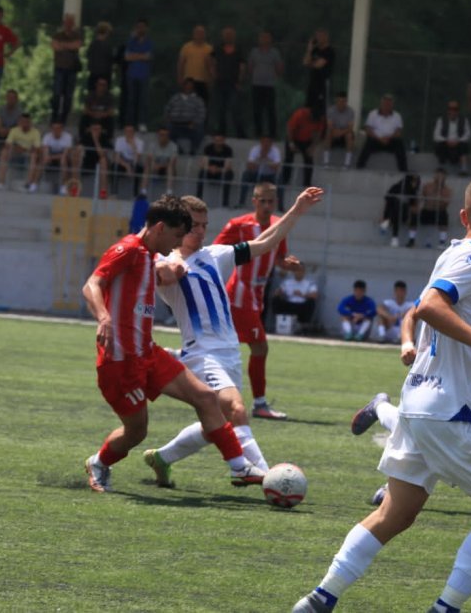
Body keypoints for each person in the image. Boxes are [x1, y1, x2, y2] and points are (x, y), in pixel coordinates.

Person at [293, 175, 471, 613]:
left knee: (395, 514)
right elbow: (428, 307)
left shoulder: (464, 259)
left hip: (418, 406)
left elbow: (462, 306)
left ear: (463, 216)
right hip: (449, 412)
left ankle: (318, 598)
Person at [82, 194, 266, 493]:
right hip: (120, 361)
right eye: (176, 236)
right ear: (158, 229)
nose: (177, 243)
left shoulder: (152, 256)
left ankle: (240, 467)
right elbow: (92, 283)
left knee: (206, 398)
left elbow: (170, 270)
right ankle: (99, 463)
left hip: (148, 353)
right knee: (136, 431)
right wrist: (103, 317)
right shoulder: (127, 249)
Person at [143, 189, 323, 488]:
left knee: (219, 421)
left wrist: (297, 210)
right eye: (194, 225)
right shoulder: (167, 261)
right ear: (180, 227)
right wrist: (168, 268)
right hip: (201, 354)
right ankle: (269, 478)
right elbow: (159, 273)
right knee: (237, 409)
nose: (201, 231)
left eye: (204, 225)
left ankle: (163, 457)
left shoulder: (217, 255)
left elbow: (264, 242)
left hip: (230, 353)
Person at [357, 271, 471, 506]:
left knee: (420, 429)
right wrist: (407, 344)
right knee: (431, 427)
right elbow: (414, 313)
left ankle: (381, 409)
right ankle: (393, 489)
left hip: (463, 378)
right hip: (428, 370)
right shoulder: (458, 267)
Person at [213, 182, 302, 420]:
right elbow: (215, 251)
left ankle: (176, 355)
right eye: (262, 201)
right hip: (238, 294)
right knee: (259, 347)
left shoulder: (278, 225)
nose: (266, 205)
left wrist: (288, 264)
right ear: (254, 201)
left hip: (256, 296)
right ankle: (259, 404)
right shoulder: (239, 225)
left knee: (222, 345)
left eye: (270, 201)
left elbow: (279, 258)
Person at [0, 112, 40, 192]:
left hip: (28, 154)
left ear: (30, 122)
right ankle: (1, 182)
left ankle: (28, 184)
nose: (24, 124)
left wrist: (24, 149)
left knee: (34, 156)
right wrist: (16, 148)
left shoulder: (35, 132)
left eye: (26, 122)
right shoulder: (14, 130)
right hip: (15, 152)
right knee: (4, 152)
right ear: (19, 122)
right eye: (22, 122)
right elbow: (7, 144)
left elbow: (37, 148)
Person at [356, 94, 407, 172]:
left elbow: (398, 132)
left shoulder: (397, 116)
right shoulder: (372, 114)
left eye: (389, 103)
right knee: (368, 142)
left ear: (392, 105)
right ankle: (359, 168)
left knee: (399, 143)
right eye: (385, 103)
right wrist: (379, 138)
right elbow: (368, 129)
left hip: (390, 140)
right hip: (376, 140)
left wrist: (389, 138)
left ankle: (403, 171)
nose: (387, 105)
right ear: (381, 104)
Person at [211, 26, 246, 138]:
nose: (228, 37)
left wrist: (240, 80)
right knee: (220, 108)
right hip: (220, 82)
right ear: (223, 36)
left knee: (235, 108)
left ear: (234, 36)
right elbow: (211, 61)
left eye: (230, 35)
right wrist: (213, 74)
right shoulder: (218, 48)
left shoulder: (238, 49)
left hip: (233, 83)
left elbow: (242, 65)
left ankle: (240, 133)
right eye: (226, 35)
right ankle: (221, 132)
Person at [248, 31, 283, 138]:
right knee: (257, 110)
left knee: (271, 110)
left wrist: (274, 76)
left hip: (269, 85)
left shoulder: (275, 52)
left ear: (270, 39)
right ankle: (258, 133)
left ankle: (273, 133)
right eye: (262, 38)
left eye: (267, 38)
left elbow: (279, 67)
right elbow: (250, 66)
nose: (264, 40)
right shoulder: (254, 52)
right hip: (257, 84)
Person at [50, 13, 83, 124]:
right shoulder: (57, 35)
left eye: (70, 22)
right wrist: (68, 46)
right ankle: (54, 116)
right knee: (56, 94)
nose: (68, 24)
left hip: (71, 69)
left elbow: (77, 45)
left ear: (73, 24)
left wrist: (63, 45)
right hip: (59, 68)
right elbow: (55, 46)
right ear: (64, 23)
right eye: (66, 22)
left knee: (68, 96)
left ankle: (63, 118)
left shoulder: (76, 35)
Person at [282, 105, 325, 189]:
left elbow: (318, 134)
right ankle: (285, 180)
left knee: (309, 160)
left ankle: (307, 183)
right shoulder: (300, 114)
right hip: (294, 138)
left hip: (307, 140)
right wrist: (291, 143)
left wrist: (312, 147)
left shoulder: (320, 119)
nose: (314, 121)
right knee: (288, 158)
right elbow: (290, 129)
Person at [124, 19, 154, 132]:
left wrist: (135, 55)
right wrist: (141, 56)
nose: (140, 29)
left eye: (142, 27)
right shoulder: (131, 41)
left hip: (144, 75)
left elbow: (148, 56)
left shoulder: (149, 42)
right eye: (138, 27)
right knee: (131, 100)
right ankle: (130, 124)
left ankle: (142, 123)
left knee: (143, 100)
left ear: (146, 28)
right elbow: (127, 57)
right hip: (131, 74)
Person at [164, 77, 206, 155]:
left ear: (193, 87)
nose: (188, 87)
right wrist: (167, 117)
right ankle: (178, 149)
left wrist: (195, 122)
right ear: (183, 86)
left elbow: (202, 114)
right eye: (187, 85)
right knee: (166, 130)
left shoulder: (198, 100)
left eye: (191, 85)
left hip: (190, 125)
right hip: (175, 124)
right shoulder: (175, 97)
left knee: (200, 129)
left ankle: (193, 149)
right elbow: (167, 108)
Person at [237, 136, 281, 208]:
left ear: (271, 143)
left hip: (270, 175)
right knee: (246, 175)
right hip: (256, 173)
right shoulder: (255, 149)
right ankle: (241, 202)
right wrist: (259, 159)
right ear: (261, 142)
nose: (265, 144)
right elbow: (249, 166)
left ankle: (280, 206)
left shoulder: (275, 151)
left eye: (268, 142)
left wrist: (266, 159)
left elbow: (276, 167)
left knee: (279, 178)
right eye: (264, 142)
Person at [379, 173, 420, 248]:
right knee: (396, 211)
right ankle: (394, 237)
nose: (415, 183)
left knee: (414, 216)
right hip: (393, 213)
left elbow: (415, 206)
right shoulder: (396, 188)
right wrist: (384, 216)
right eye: (414, 181)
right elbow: (388, 202)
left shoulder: (413, 192)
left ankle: (411, 240)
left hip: (407, 214)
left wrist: (410, 214)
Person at [273, 262, 318, 326]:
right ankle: (279, 321)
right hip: (289, 304)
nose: (299, 273)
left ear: (304, 272)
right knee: (276, 299)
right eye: (297, 270)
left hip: (302, 305)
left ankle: (304, 325)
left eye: (300, 271)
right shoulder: (287, 282)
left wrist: (302, 295)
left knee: (311, 302)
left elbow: (314, 295)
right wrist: (279, 292)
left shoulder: (310, 283)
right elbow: (278, 292)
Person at [433, 100, 471, 174]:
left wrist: (458, 141)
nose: (452, 111)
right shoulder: (441, 120)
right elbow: (436, 135)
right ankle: (441, 168)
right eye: (450, 109)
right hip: (446, 143)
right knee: (439, 145)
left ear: (458, 110)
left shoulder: (464, 120)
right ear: (448, 110)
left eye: (455, 109)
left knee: (464, 146)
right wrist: (446, 140)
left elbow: (468, 134)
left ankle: (463, 169)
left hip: (458, 144)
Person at [176, 25, 213, 105]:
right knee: (188, 104)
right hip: (189, 81)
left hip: (203, 81)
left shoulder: (210, 49)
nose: (200, 35)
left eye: (202, 33)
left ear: (205, 35)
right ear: (193, 34)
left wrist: (211, 80)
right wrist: (180, 77)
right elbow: (181, 63)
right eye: (198, 33)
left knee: (203, 104)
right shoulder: (186, 47)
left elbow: (212, 66)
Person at [196, 134, 235, 208]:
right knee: (201, 173)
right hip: (209, 171)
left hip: (221, 172)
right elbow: (203, 164)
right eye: (216, 140)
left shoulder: (228, 150)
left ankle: (225, 204)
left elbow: (228, 166)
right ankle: (198, 200)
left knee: (229, 174)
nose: (218, 142)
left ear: (223, 140)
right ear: (213, 140)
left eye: (220, 140)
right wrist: (210, 168)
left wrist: (218, 169)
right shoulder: (208, 148)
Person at [419, 168, 453, 248]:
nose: (439, 178)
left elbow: (446, 202)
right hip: (428, 209)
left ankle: (442, 242)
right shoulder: (427, 186)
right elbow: (423, 196)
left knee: (443, 221)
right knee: (428, 223)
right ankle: (428, 241)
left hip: (440, 210)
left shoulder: (447, 189)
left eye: (442, 176)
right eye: (438, 176)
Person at [75, 121, 112, 195]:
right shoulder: (86, 136)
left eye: (98, 129)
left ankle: (103, 192)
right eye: (94, 129)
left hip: (99, 160)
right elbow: (78, 148)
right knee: (77, 159)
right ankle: (75, 188)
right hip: (87, 160)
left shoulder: (104, 138)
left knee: (103, 161)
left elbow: (101, 154)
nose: (96, 131)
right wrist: (79, 150)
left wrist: (95, 140)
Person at [303, 29, 334, 114]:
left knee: (321, 107)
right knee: (308, 108)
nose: (318, 38)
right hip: (312, 83)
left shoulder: (329, 51)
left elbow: (318, 65)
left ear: (326, 37)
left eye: (320, 36)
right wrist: (309, 49)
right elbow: (305, 62)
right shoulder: (315, 50)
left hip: (323, 84)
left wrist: (311, 63)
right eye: (317, 36)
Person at [322, 91, 355, 169]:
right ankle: (326, 162)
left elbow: (350, 127)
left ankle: (347, 163)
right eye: (339, 101)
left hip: (344, 133)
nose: (341, 103)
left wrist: (341, 133)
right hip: (334, 132)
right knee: (328, 132)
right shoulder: (330, 110)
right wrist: (335, 132)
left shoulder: (351, 111)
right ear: (336, 101)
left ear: (346, 101)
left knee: (349, 135)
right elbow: (330, 125)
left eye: (343, 101)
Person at [110, 124, 145, 196]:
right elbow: (116, 156)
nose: (129, 133)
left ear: (134, 132)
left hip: (134, 161)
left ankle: (135, 194)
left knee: (138, 169)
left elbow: (138, 157)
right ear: (124, 132)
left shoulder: (139, 142)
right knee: (114, 166)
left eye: (131, 131)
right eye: (127, 131)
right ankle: (114, 192)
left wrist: (133, 146)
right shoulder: (119, 140)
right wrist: (127, 166)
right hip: (123, 162)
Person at [41, 122, 75, 193]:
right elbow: (45, 152)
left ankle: (64, 186)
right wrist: (47, 157)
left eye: (58, 128)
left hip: (65, 159)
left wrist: (51, 157)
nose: (56, 130)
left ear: (62, 129)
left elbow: (65, 154)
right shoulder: (47, 136)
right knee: (41, 161)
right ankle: (33, 184)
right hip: (51, 158)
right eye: (54, 128)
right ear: (51, 129)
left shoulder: (68, 137)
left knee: (63, 161)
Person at [0, 89, 22, 159]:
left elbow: (19, 126)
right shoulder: (1, 109)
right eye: (9, 97)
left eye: (13, 98)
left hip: (13, 133)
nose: (11, 100)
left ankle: (12, 159)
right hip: (1, 131)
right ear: (6, 98)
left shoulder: (20, 112)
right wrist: (1, 129)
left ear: (16, 99)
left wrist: (8, 131)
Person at [143, 127, 178, 193]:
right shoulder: (153, 145)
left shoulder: (173, 146)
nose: (163, 137)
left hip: (166, 168)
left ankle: (169, 193)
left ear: (168, 136)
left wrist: (161, 166)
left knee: (170, 168)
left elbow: (172, 162)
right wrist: (154, 165)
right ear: (158, 135)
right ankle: (143, 192)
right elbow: (149, 158)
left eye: (165, 135)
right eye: (161, 134)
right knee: (147, 167)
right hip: (155, 167)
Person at [86, 22, 114, 91]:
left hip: (93, 75)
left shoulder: (92, 45)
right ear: (106, 32)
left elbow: (89, 57)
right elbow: (109, 60)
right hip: (104, 76)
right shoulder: (107, 46)